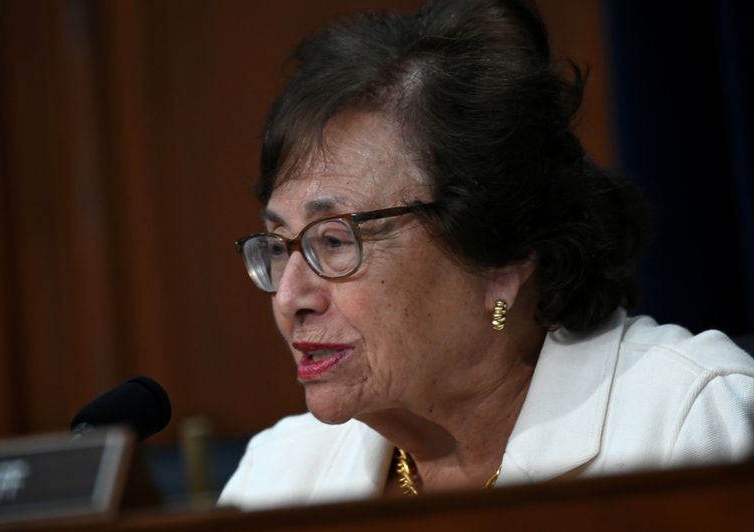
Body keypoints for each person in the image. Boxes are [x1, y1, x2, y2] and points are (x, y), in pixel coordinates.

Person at [219, 0, 754, 510]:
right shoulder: (279, 472)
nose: (290, 298)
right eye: (280, 246)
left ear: (502, 256)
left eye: (333, 241)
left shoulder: (689, 423)